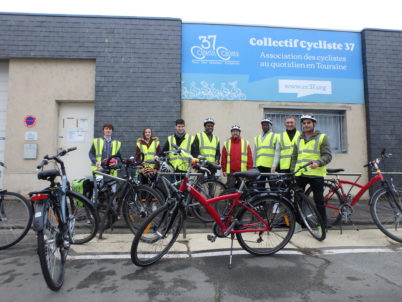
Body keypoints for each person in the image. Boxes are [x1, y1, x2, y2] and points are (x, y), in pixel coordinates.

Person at [290, 113, 332, 229]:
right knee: (297, 201)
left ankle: (321, 225)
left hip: (316, 174)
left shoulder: (322, 137)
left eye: (308, 123)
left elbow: (327, 156)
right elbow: (294, 157)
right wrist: (293, 170)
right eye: (304, 123)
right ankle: (298, 224)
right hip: (300, 174)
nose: (306, 125)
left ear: (314, 124)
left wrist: (318, 162)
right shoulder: (298, 139)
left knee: (319, 202)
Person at [254, 118, 278, 188]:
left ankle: (274, 198)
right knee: (260, 185)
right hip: (260, 166)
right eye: (263, 125)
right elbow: (255, 153)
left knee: (273, 185)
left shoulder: (275, 136)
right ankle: (261, 199)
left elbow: (277, 152)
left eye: (266, 125)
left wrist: (274, 165)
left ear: (270, 126)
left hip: (270, 166)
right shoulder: (257, 138)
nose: (264, 126)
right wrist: (254, 165)